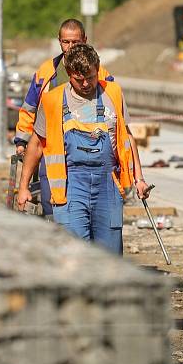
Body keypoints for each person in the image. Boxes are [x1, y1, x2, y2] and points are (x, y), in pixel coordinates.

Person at [16, 44, 150, 253]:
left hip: (108, 184)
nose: (86, 84)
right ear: (69, 74)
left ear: (97, 69)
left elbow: (127, 137)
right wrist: (23, 186)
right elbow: (35, 144)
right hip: (70, 186)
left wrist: (138, 179)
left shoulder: (112, 92)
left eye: (91, 77)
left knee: (109, 256)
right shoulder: (52, 101)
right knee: (75, 252)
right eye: (79, 80)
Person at [14, 19, 113, 217]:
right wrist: (22, 141)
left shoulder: (100, 74)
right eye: (66, 42)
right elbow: (29, 107)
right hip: (51, 147)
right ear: (59, 41)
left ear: (84, 40)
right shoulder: (46, 71)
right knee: (53, 203)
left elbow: (112, 111)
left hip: (90, 147)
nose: (70, 47)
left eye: (75, 42)